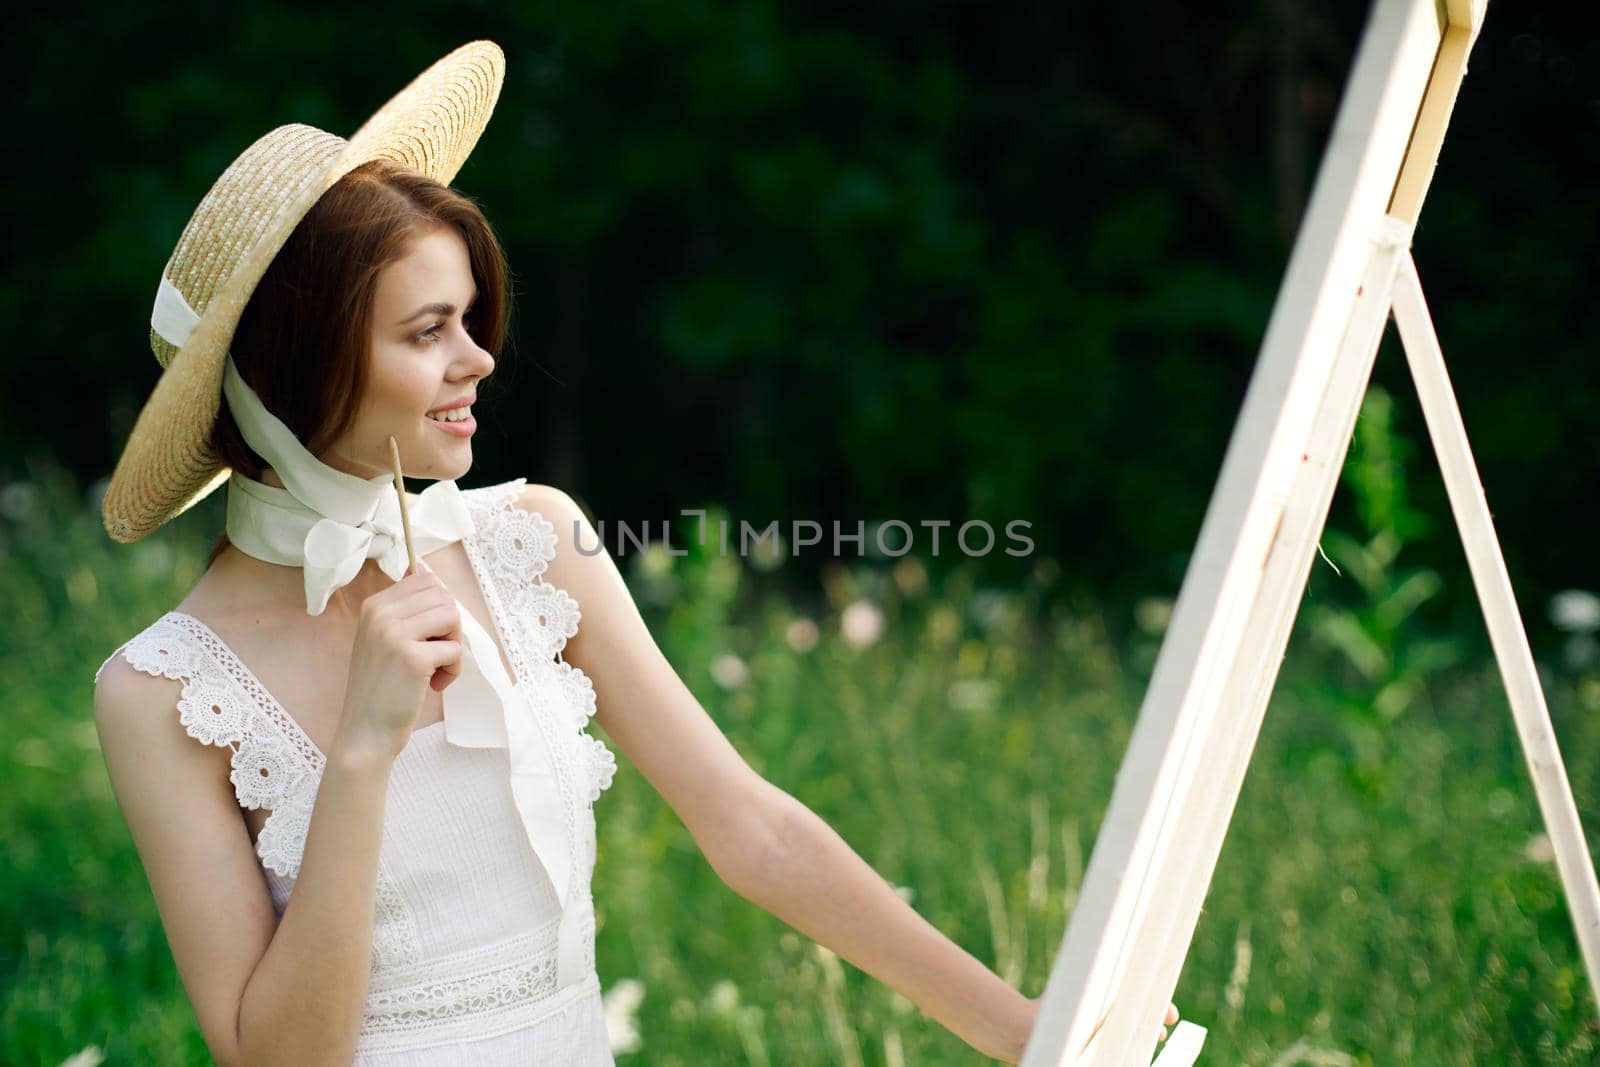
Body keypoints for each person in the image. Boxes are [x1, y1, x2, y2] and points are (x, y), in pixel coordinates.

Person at [91, 40, 1174, 1066]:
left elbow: (750, 827)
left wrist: (1019, 1028)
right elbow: (272, 1054)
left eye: (470, 318)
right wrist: (363, 749)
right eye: (427, 331)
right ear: (296, 364)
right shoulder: (160, 690)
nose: (478, 357)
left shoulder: (533, 542)